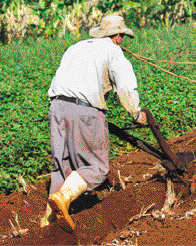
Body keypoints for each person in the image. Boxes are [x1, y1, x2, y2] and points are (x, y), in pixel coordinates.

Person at [40, 15, 147, 231]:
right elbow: (124, 88)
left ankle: (47, 223)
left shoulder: (75, 47)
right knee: (97, 167)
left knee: (62, 166)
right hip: (85, 111)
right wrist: (137, 114)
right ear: (117, 36)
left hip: (57, 107)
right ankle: (62, 198)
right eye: (122, 37)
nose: (122, 41)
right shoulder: (113, 50)